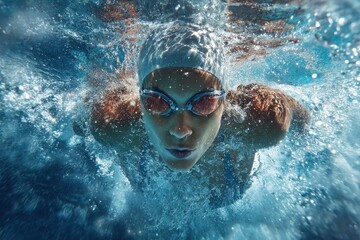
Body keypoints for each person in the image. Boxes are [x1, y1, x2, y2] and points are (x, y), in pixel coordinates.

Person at [80, 20, 310, 208]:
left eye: (204, 103)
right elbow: (80, 119)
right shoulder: (113, 125)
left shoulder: (260, 123)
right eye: (157, 102)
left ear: (224, 102)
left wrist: (304, 133)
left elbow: (297, 111)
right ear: (140, 102)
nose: (181, 130)